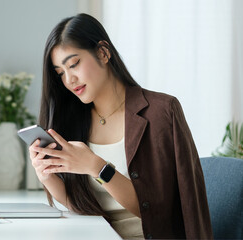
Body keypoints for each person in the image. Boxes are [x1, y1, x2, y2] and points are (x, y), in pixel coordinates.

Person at [29, 13, 213, 239]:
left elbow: (158, 210)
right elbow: (77, 203)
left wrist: (96, 167)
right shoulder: (74, 120)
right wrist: (46, 175)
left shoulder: (162, 112)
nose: (69, 80)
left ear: (103, 53)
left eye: (74, 64)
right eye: (60, 74)